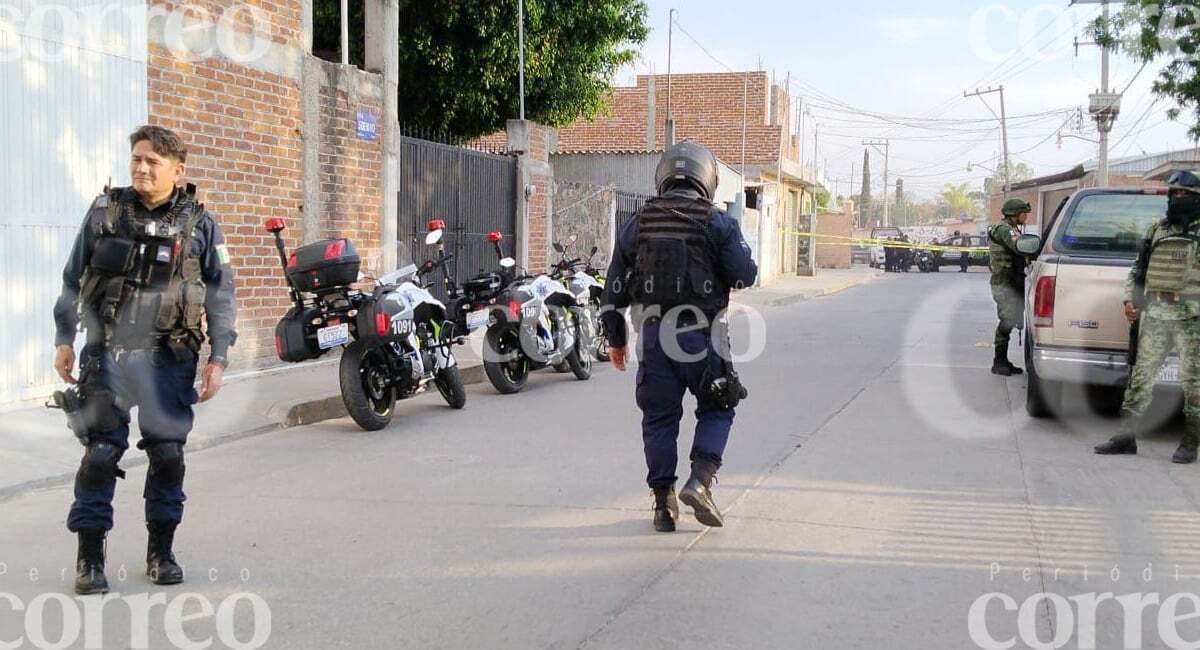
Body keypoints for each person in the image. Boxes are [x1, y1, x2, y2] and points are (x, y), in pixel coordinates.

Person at [52, 125, 237, 594]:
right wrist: (63, 338)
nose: (141, 167)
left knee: (168, 456)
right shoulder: (104, 214)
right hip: (106, 355)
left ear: (178, 169)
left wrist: (219, 357)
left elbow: (221, 295)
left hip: (169, 357)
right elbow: (72, 280)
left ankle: (161, 552)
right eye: (137, 158)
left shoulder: (200, 223)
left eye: (153, 161)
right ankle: (89, 560)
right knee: (99, 455)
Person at [600, 140, 757, 532]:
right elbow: (745, 274)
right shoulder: (718, 221)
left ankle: (663, 505)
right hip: (704, 337)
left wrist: (615, 339)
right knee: (719, 407)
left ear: (664, 176)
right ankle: (700, 482)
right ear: (708, 178)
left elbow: (613, 288)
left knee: (658, 420)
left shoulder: (638, 222)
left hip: (653, 338)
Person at [1095, 170, 1200, 463]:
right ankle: (1126, 437)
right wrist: (1130, 298)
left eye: (1186, 195)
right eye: (1174, 194)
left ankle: (1191, 441)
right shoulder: (1157, 230)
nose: (1179, 199)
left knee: (1194, 383)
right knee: (1140, 379)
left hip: (1192, 318)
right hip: (1156, 315)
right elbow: (1137, 269)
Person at [988, 198, 1034, 376]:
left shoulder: (1011, 229)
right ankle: (998, 362)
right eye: (1024, 213)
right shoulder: (1005, 229)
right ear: (1015, 214)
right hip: (1004, 282)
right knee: (1006, 321)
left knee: (1011, 318)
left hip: (1011, 280)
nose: (1026, 216)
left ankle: (1003, 360)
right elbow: (1018, 246)